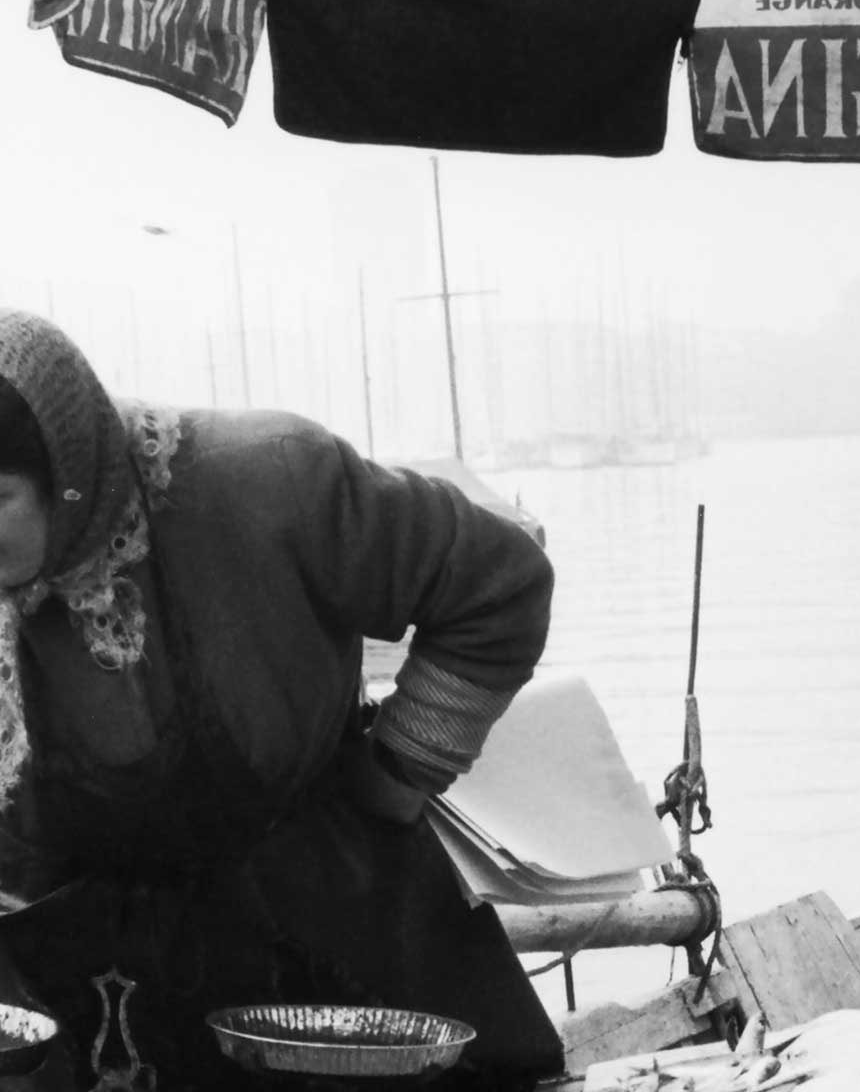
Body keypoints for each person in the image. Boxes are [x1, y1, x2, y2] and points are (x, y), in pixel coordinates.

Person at [0, 308, 564, 1090]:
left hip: (328, 931)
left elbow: (498, 586)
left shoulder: (271, 480)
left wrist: (402, 768)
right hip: (103, 976)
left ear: (66, 481)